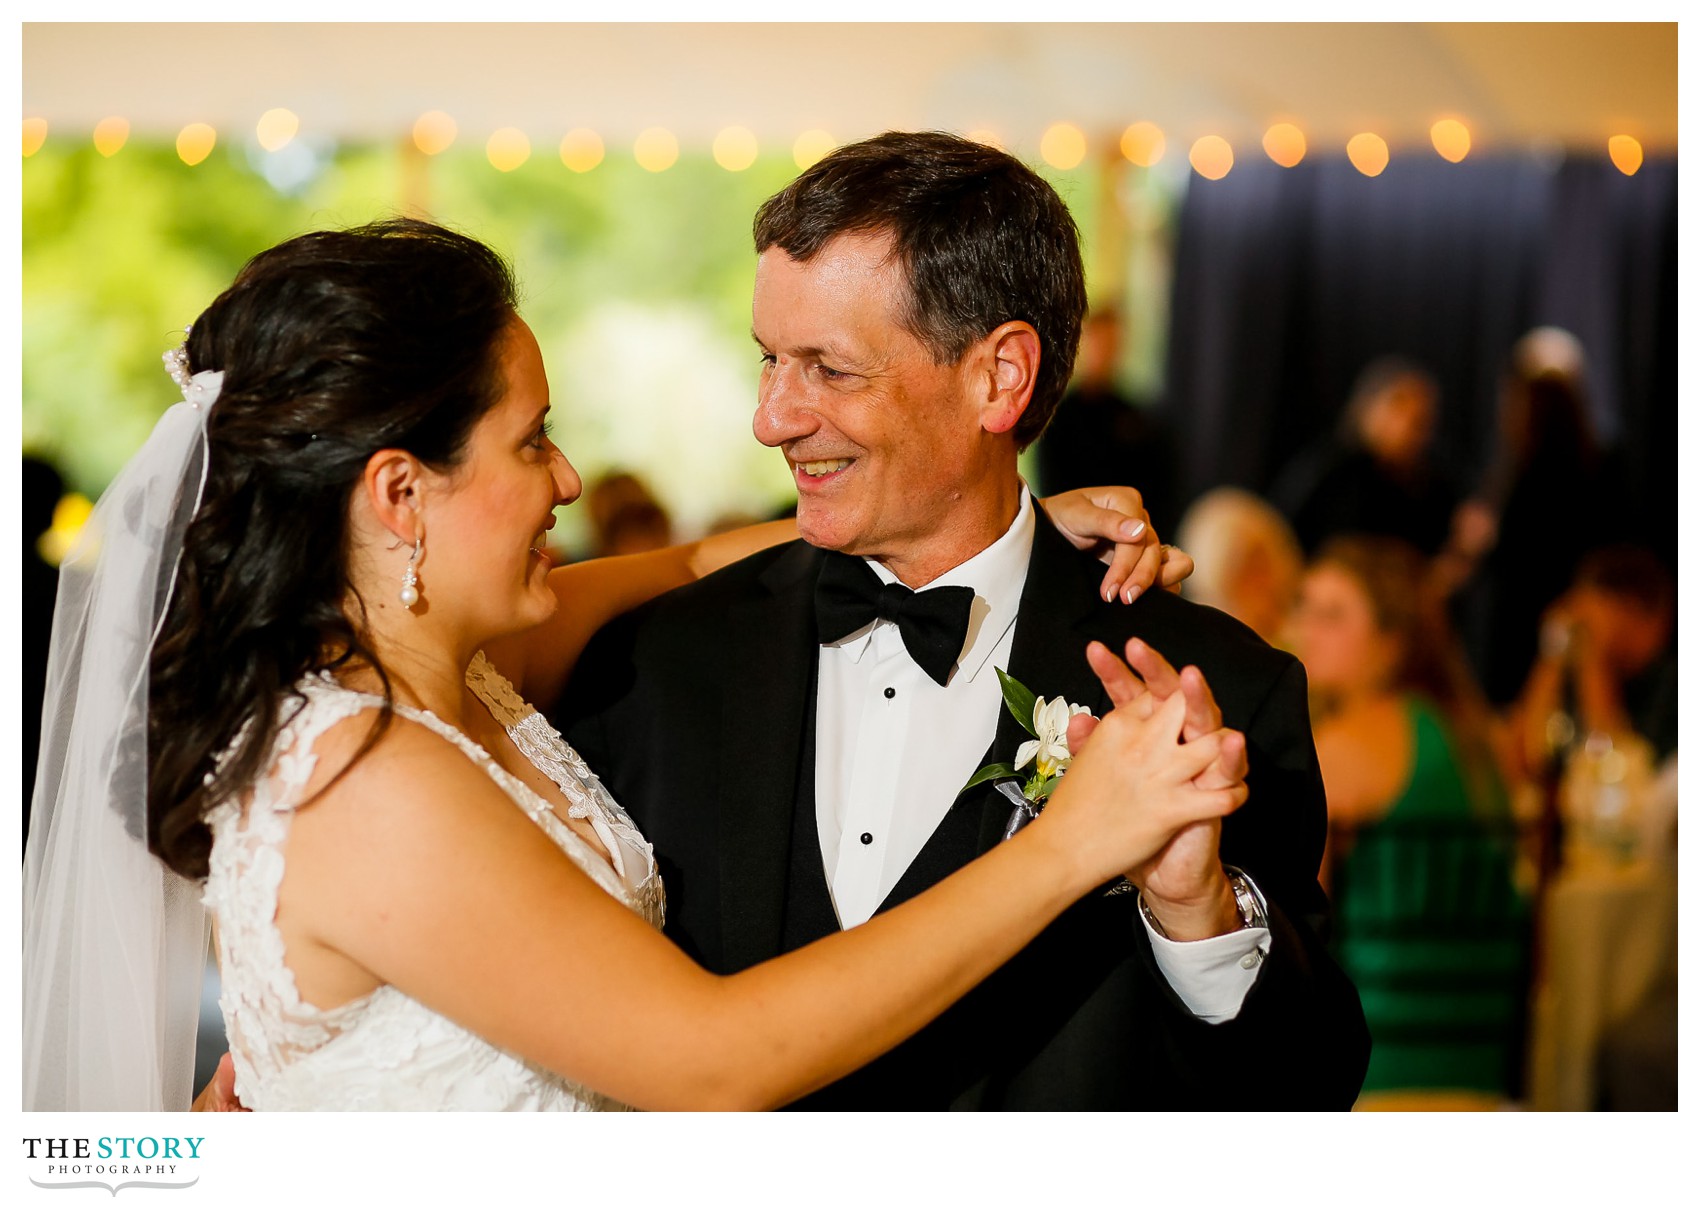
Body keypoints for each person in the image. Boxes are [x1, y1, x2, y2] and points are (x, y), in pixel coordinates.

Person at [21, 219, 1204, 1112]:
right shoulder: (361, 777)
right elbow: (713, 1054)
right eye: (529, 438)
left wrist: (977, 519)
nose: (569, 478)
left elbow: (688, 562)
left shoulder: (464, 671)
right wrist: (1067, 845)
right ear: (398, 493)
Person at [559, 131, 1369, 1109]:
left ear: (998, 378)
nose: (771, 417)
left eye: (828, 367)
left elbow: (1302, 1094)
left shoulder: (1217, 690)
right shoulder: (653, 665)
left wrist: (1197, 911)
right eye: (771, 358)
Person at [1289, 535, 1524, 1101]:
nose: (1301, 630)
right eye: (1303, 607)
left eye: (1332, 616)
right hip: (1482, 1061)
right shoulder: (1479, 735)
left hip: (1374, 1063)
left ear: (1392, 642)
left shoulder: (1345, 747)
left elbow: (1292, 924)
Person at [1272, 355, 1459, 557]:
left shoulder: (1431, 485)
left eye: (1420, 419)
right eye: (1399, 408)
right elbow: (1281, 532)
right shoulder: (1333, 470)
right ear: (1370, 406)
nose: (1408, 426)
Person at [1173, 486, 1303, 647]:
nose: (1261, 581)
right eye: (1247, 571)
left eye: (1263, 565)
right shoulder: (1208, 639)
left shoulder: (1304, 631)